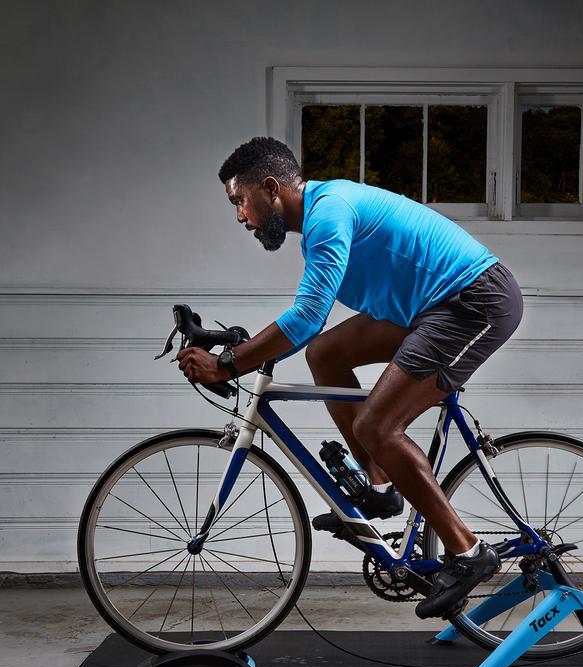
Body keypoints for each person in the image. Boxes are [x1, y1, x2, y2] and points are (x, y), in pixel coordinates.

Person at [177, 136, 523, 619]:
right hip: (429, 308)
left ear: (271, 188)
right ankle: (381, 487)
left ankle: (468, 552)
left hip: (474, 302)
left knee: (377, 426)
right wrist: (236, 349)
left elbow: (307, 315)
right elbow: (309, 331)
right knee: (327, 353)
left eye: (240, 201)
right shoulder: (322, 217)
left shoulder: (328, 213)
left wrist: (230, 363)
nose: (239, 216)